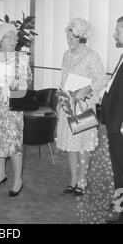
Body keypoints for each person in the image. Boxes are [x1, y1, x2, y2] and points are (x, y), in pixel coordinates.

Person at [57, 18, 108, 197]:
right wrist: (59, 99)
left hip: (83, 107)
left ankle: (83, 181)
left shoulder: (91, 55)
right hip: (67, 106)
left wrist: (87, 89)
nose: (69, 40)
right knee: (70, 146)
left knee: (82, 146)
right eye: (68, 37)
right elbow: (63, 79)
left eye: (72, 38)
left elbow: (102, 79)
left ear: (81, 37)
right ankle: (73, 180)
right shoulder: (66, 54)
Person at [0, 23, 31, 197]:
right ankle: (0, 175)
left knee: (14, 143)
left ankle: (18, 180)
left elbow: (28, 80)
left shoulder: (21, 58)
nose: (13, 40)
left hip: (13, 107)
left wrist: (13, 83)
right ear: (0, 40)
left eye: (15, 37)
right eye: (8, 37)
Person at [101, 16, 123, 224]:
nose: (114, 33)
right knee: (119, 168)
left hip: (121, 125)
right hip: (115, 122)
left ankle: (119, 209)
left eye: (118, 30)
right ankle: (119, 201)